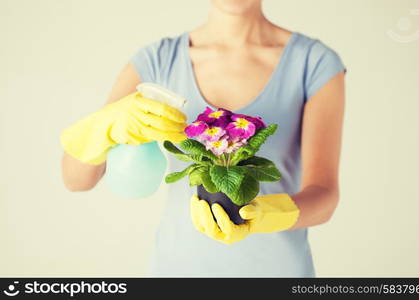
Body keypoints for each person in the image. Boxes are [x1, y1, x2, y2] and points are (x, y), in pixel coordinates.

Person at [61, 0, 346, 277]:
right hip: (179, 270)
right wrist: (107, 125)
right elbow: (76, 179)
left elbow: (324, 196)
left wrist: (263, 214)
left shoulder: (314, 62)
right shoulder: (157, 60)